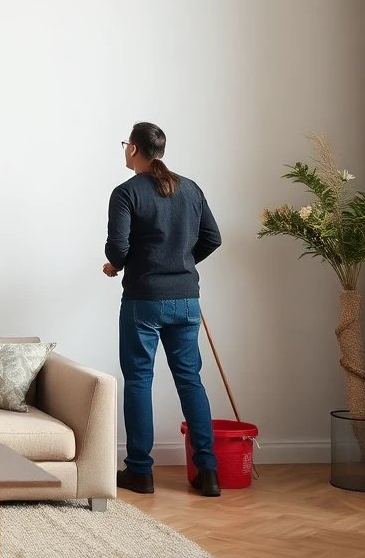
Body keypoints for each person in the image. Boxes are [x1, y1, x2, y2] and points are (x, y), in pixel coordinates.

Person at [104, 122, 223, 497]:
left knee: (139, 379)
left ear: (135, 149)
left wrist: (117, 265)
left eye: (126, 144)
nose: (125, 149)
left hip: (144, 300)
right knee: (191, 380)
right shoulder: (191, 188)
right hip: (187, 298)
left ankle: (140, 472)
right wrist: (181, 264)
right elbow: (212, 238)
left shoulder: (126, 193)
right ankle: (208, 472)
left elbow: (117, 249)